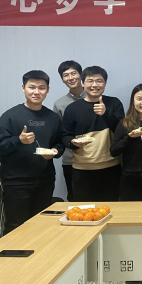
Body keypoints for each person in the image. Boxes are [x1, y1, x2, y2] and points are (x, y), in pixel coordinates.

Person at [0, 70, 64, 233]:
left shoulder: (52, 117)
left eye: (41, 88)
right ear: (23, 88)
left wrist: (55, 151)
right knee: (16, 226)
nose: (36, 92)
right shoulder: (10, 116)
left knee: (42, 225)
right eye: (32, 87)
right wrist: (18, 140)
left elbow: (60, 142)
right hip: (16, 182)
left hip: (45, 180)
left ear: (47, 90)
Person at [62, 66, 125, 202]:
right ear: (83, 83)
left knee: (111, 209)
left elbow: (122, 132)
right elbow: (65, 135)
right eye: (90, 81)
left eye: (99, 81)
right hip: (81, 169)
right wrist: (72, 142)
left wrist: (106, 113)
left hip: (111, 168)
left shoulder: (114, 103)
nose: (94, 85)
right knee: (84, 210)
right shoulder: (72, 109)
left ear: (105, 83)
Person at [110, 84, 142, 202]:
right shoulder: (125, 123)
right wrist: (129, 137)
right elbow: (114, 151)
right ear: (133, 102)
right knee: (130, 211)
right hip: (130, 177)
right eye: (139, 99)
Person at [53, 60, 86, 202]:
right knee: (75, 199)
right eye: (66, 75)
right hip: (71, 160)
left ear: (81, 74)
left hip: (96, 158)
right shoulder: (59, 104)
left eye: (74, 73)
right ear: (62, 79)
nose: (70, 78)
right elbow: (60, 133)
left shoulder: (96, 98)